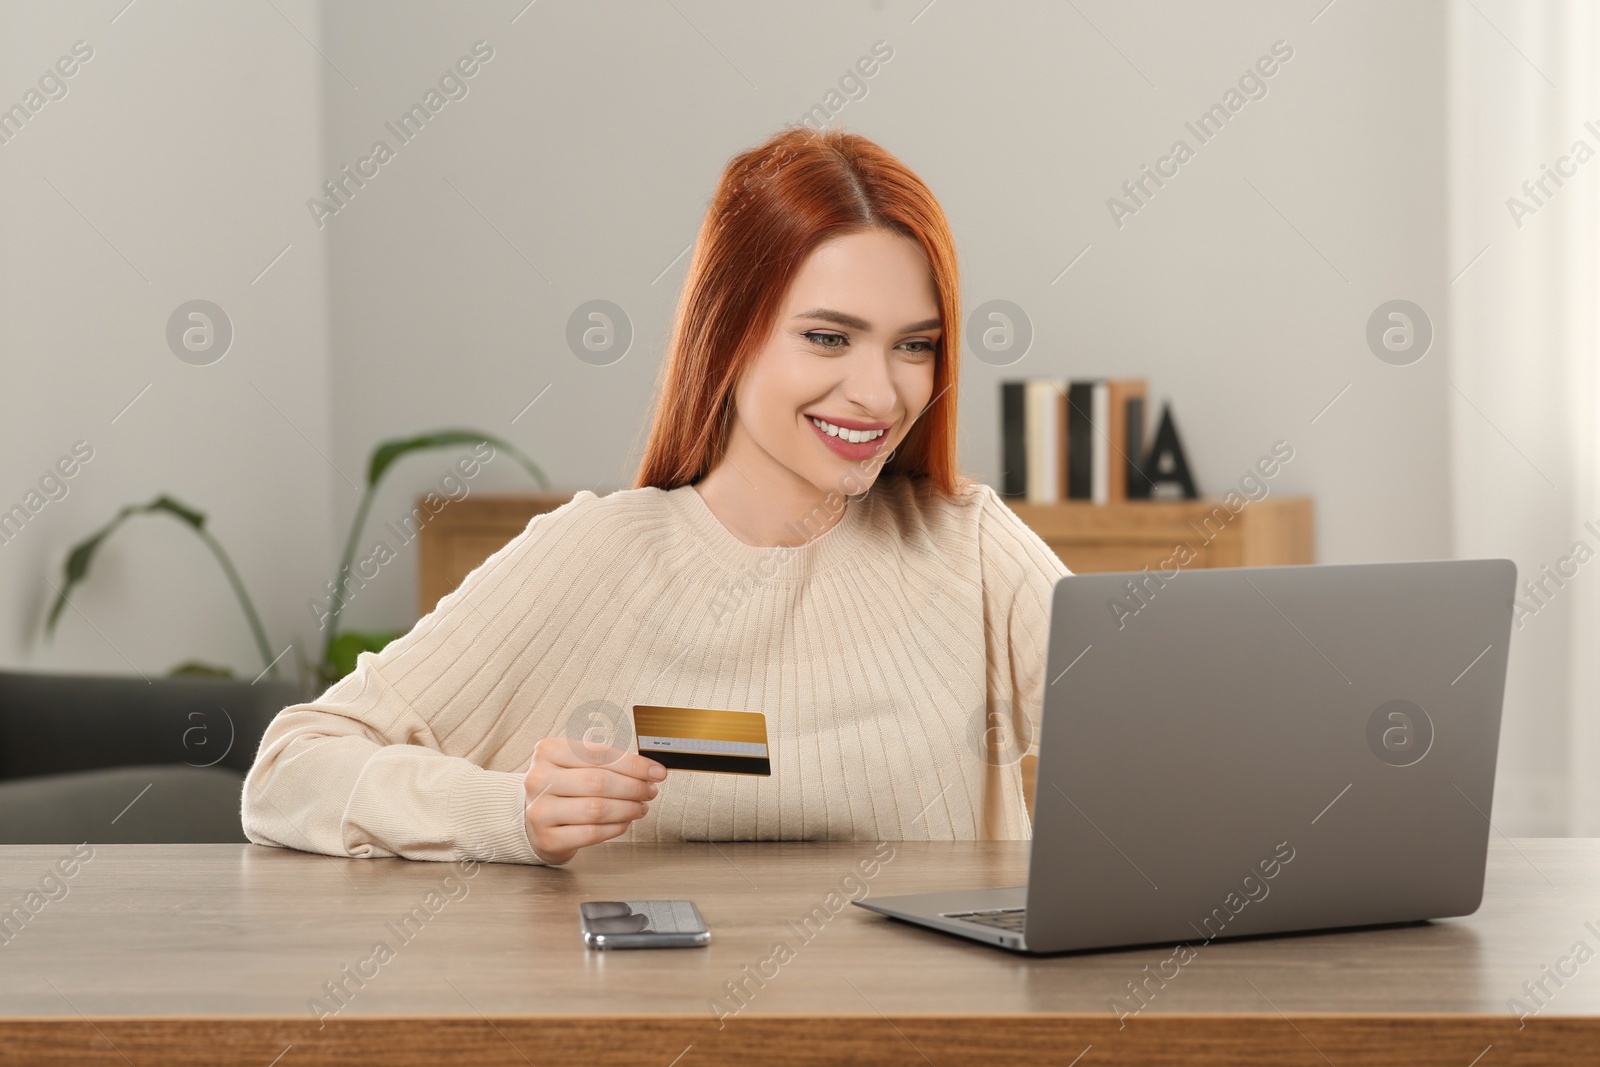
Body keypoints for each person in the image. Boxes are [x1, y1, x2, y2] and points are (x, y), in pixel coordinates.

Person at [241, 125, 1071, 866]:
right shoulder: (597, 556)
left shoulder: (972, 548)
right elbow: (290, 769)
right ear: (728, 333)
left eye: (914, 346)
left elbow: (1168, 745)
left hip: (923, 1034)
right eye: (828, 337)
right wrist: (507, 812)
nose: (880, 392)